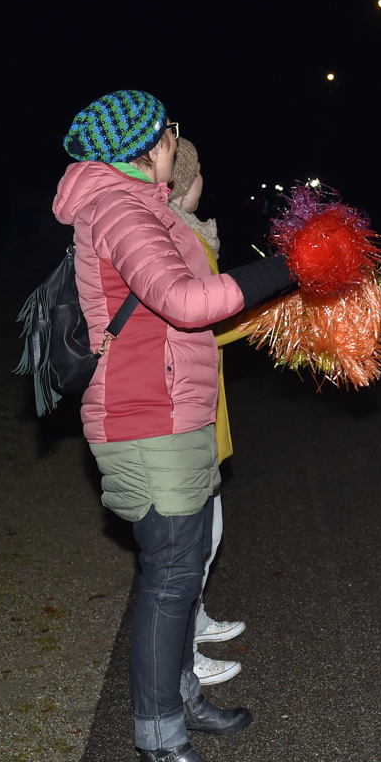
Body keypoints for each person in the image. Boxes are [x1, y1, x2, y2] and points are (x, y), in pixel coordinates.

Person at [55, 90, 292, 762]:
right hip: (142, 419)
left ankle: (181, 698)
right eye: (168, 133)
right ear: (148, 144)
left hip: (171, 411)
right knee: (168, 579)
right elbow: (186, 303)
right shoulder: (121, 210)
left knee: (183, 569)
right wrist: (285, 270)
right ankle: (159, 744)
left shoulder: (145, 205)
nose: (173, 142)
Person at [166, 138, 248, 685]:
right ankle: (180, 653)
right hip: (184, 401)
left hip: (201, 396)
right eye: (197, 173)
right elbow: (200, 315)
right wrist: (261, 317)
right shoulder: (181, 237)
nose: (203, 182)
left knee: (210, 526)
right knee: (192, 539)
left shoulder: (194, 232)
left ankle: (194, 620)